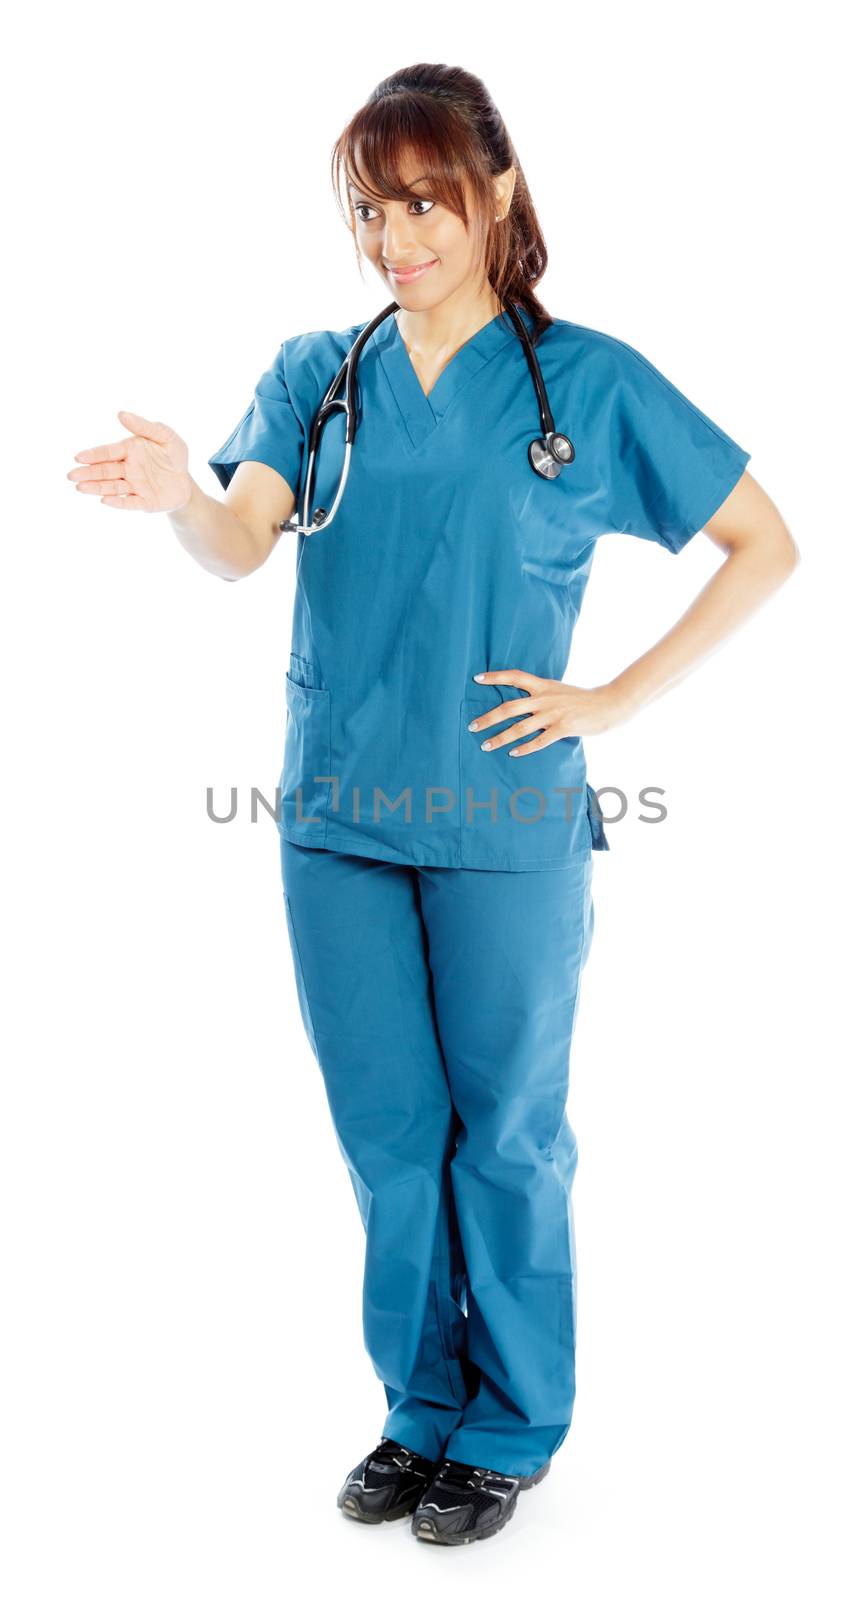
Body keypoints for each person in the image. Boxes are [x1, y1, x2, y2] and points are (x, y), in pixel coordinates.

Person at [67, 62, 798, 1547]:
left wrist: (610, 702)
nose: (395, 238)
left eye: (423, 203)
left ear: (497, 194)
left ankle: (514, 1423)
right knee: (388, 1137)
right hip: (337, 818)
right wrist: (177, 504)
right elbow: (238, 544)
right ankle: (420, 1408)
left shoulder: (582, 383)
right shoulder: (310, 375)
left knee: (506, 1132)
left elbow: (761, 543)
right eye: (369, 210)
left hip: (506, 829)